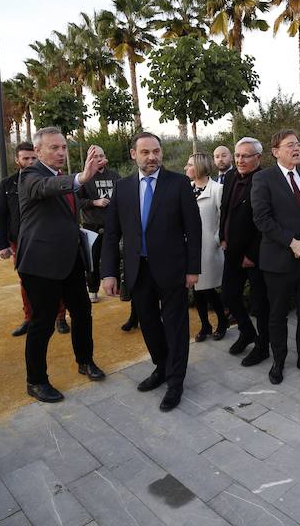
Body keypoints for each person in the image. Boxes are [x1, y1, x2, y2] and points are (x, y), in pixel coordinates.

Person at [101, 132, 202, 412]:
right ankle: (161, 366)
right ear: (133, 154)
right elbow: (111, 234)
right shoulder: (122, 188)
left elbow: (193, 230)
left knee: (175, 327)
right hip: (138, 271)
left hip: (173, 270)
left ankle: (175, 381)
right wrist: (108, 273)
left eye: (156, 151)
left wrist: (193, 269)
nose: (152, 157)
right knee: (149, 325)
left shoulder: (179, 184)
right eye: (145, 152)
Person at [16, 129, 106, 403]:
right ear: (38, 150)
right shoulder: (31, 176)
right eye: (54, 148)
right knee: (42, 324)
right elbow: (46, 189)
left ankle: (85, 361)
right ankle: (36, 381)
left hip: (70, 261)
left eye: (64, 148)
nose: (61, 153)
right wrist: (81, 177)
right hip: (40, 265)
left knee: (83, 312)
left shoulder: (60, 178)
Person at [251, 130, 300, 385]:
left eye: (298, 144)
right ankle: (279, 360)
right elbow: (262, 219)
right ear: (275, 151)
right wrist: (292, 243)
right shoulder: (263, 179)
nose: (296, 148)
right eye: (290, 144)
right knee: (277, 314)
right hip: (278, 261)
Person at [219, 137, 271, 366]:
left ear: (258, 158)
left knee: (260, 305)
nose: (240, 160)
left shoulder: (266, 181)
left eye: (246, 156)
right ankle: (247, 331)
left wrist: (253, 253)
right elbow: (225, 210)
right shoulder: (230, 176)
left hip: (255, 257)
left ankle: (263, 347)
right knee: (229, 295)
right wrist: (222, 235)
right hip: (231, 251)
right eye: (237, 155)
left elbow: (267, 222)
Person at [0, 142, 53, 337]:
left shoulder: (48, 181)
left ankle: (60, 317)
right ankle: (29, 318)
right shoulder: (7, 184)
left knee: (55, 276)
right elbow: (0, 214)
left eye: (32, 158)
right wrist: (1, 244)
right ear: (17, 160)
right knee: (26, 280)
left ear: (38, 156)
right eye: (25, 158)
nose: (29, 162)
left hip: (46, 238)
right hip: (19, 241)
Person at [184, 152, 229, 342]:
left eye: (189, 165)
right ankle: (205, 326)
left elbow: (224, 218)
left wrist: (218, 239)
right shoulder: (186, 189)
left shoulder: (218, 189)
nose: (186, 168)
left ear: (200, 167)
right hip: (190, 248)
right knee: (196, 289)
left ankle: (222, 322)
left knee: (208, 289)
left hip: (209, 247)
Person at [77, 146, 120, 304]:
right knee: (92, 261)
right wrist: (95, 202)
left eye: (102, 155)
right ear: (90, 159)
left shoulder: (115, 176)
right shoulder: (84, 178)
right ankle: (93, 290)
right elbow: (77, 201)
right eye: (96, 156)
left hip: (112, 226)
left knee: (115, 257)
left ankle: (117, 287)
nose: (99, 158)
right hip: (91, 226)